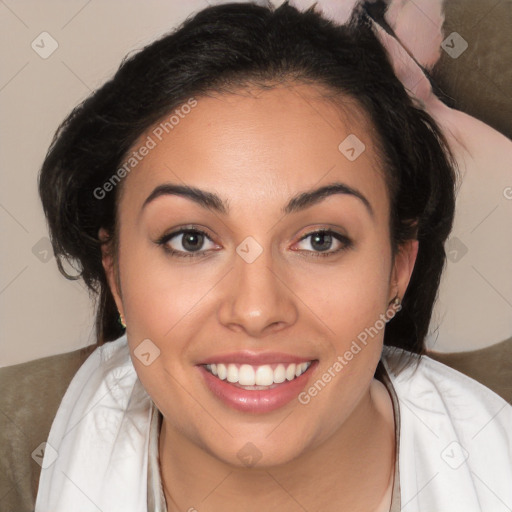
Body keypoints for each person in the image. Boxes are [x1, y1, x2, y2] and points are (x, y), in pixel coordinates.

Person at [34, 1, 512, 511]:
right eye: (191, 240)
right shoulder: (17, 448)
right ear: (115, 272)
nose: (257, 310)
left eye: (320, 240)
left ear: (399, 268)